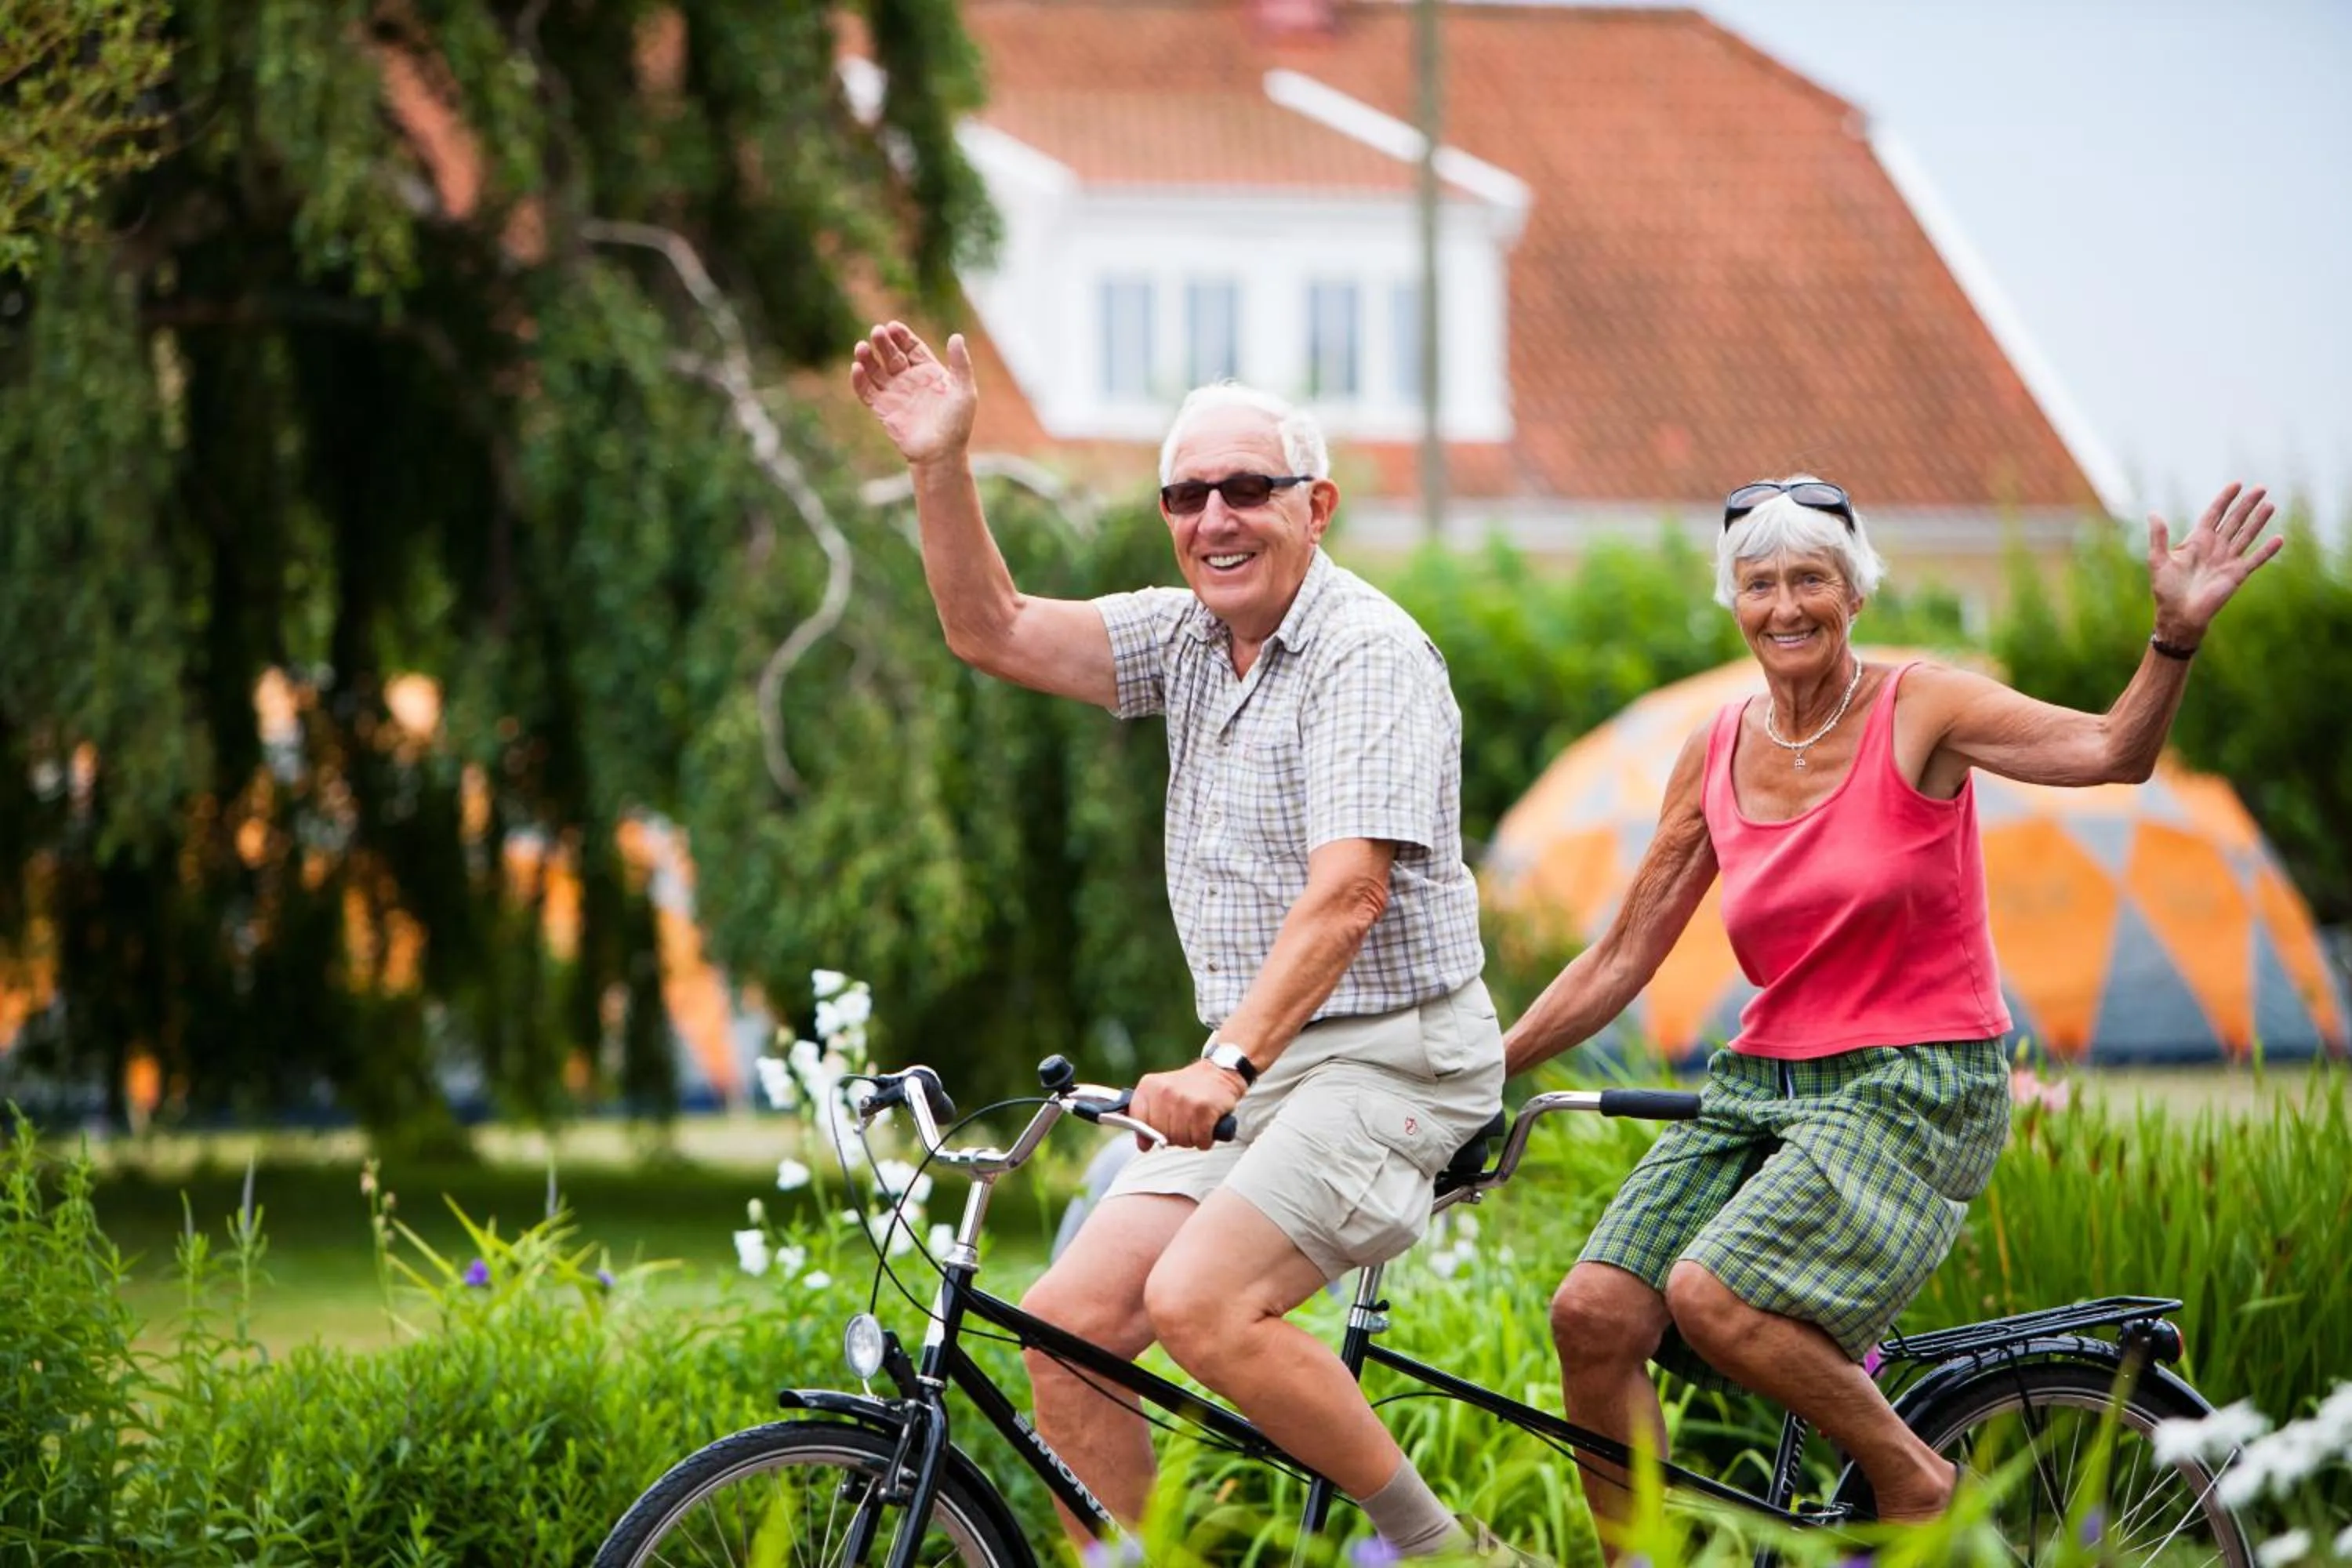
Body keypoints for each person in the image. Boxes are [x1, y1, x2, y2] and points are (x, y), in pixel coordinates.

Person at [1501, 474, 2281, 1554]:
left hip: (1916, 1080)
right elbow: (1625, 953)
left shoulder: (1924, 708)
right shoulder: (1715, 747)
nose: (1785, 606)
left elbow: (2114, 753)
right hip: (1765, 1082)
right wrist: (1485, 1065)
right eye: (1759, 583)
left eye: (1810, 579)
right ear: (1734, 602)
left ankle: (1917, 1482)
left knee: (1713, 1295)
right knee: (1593, 1315)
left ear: (1853, 592)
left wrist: (2173, 641)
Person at [849, 322, 1511, 1559]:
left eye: (1248, 489)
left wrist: (1225, 1066)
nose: (1216, 516)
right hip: (1268, 1066)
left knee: (1200, 1303)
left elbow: (1349, 896)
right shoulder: (1188, 638)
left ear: (1315, 506)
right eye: (1186, 494)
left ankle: (1438, 1550)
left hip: (1392, 1059)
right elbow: (990, 628)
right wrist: (944, 463)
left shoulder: (1366, 654)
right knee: (1066, 1330)